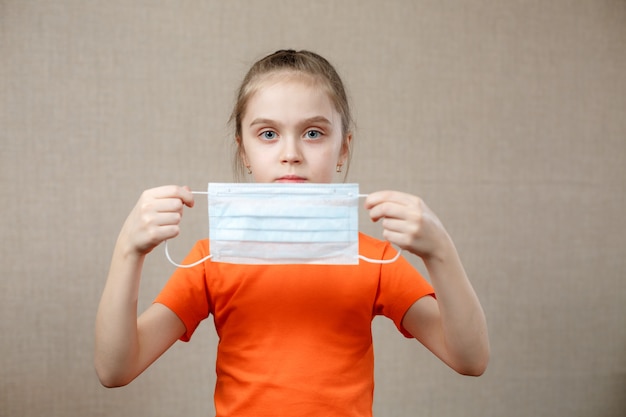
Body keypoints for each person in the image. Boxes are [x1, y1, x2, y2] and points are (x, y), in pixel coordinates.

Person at [95, 49, 489, 416]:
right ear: (244, 152)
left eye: (313, 133)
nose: (291, 153)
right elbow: (116, 369)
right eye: (268, 134)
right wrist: (128, 251)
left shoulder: (373, 258)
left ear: (343, 149)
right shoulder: (211, 259)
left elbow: (469, 359)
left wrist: (441, 252)